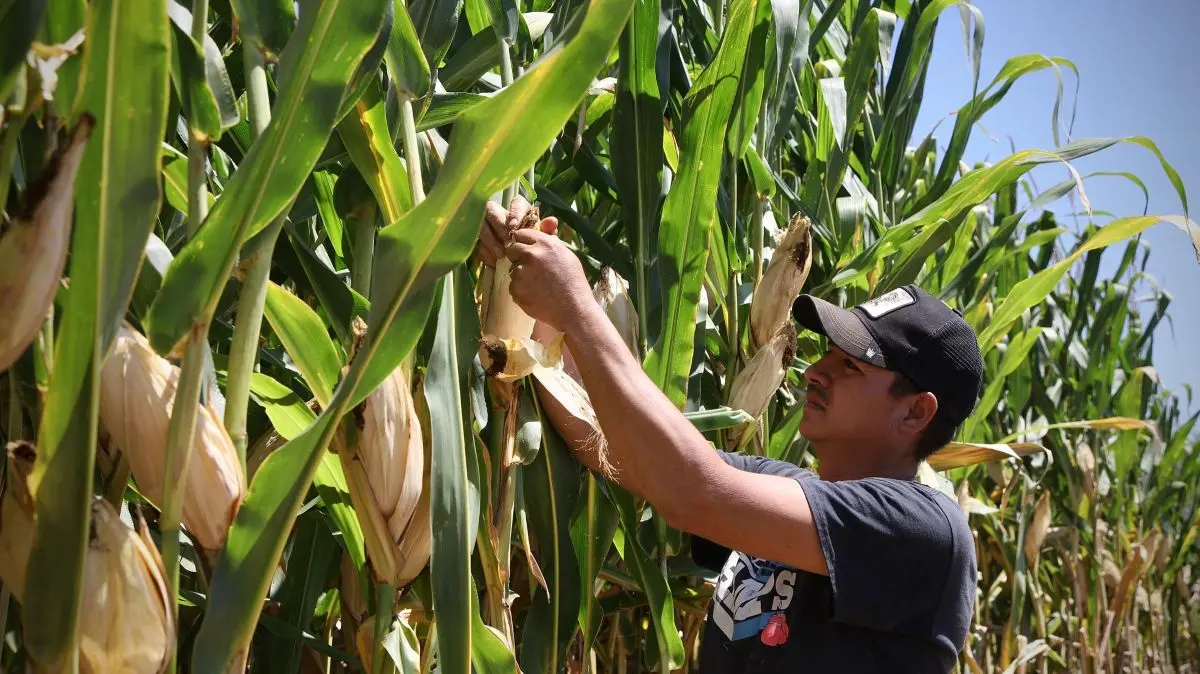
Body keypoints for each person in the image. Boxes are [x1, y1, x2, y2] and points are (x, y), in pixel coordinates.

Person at [474, 197, 982, 673]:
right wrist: (534, 306)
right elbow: (623, 448)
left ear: (916, 413)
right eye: (825, 353)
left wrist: (579, 310)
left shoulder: (924, 531)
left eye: (850, 366)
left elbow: (690, 490)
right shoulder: (779, 484)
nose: (815, 372)